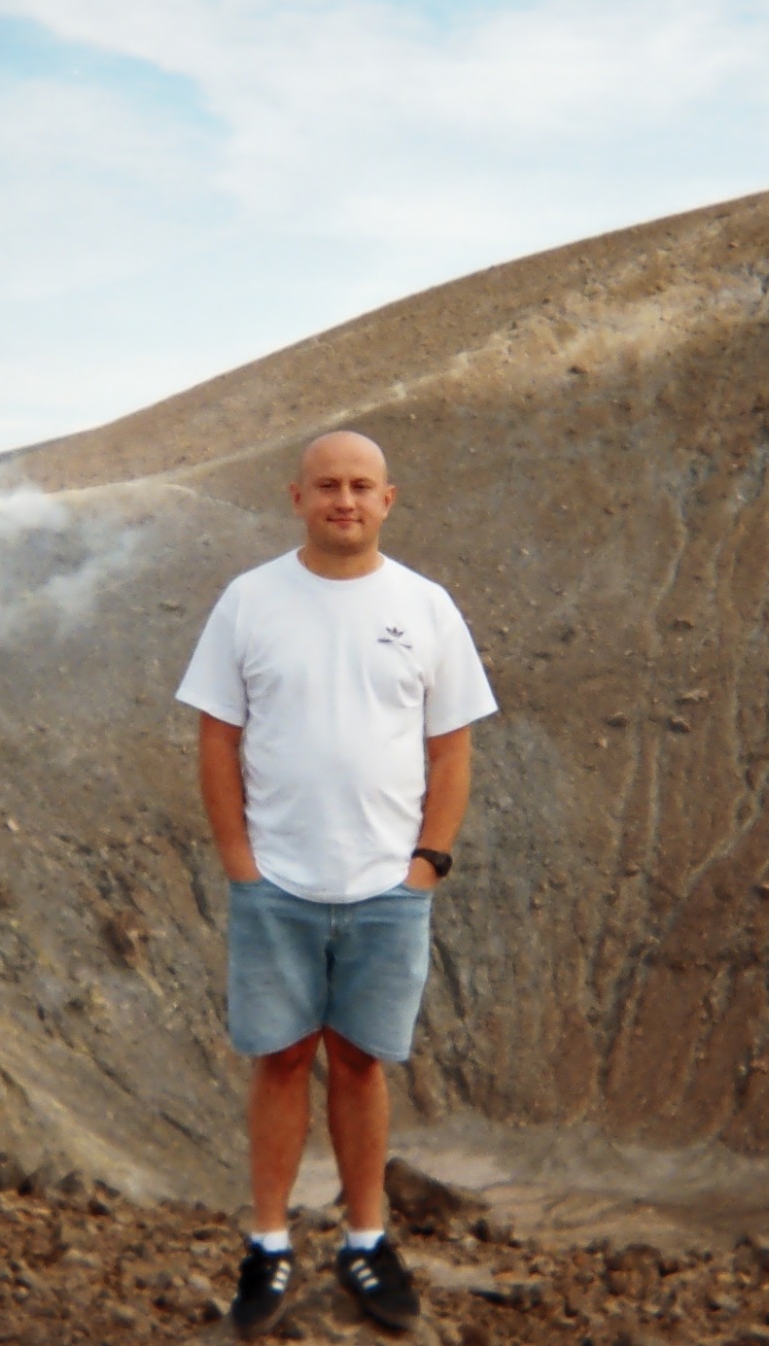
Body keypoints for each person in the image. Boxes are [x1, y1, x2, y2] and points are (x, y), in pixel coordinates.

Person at [175, 430, 497, 1337]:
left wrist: (426, 864)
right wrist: (240, 863)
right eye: (327, 485)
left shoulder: (425, 606)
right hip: (276, 880)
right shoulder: (249, 600)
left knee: (359, 1059)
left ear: (387, 499)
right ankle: (268, 1242)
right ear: (297, 497)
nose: (343, 500)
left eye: (360, 485)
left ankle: (365, 1237)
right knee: (280, 1057)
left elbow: (452, 747)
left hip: (387, 885)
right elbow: (217, 737)